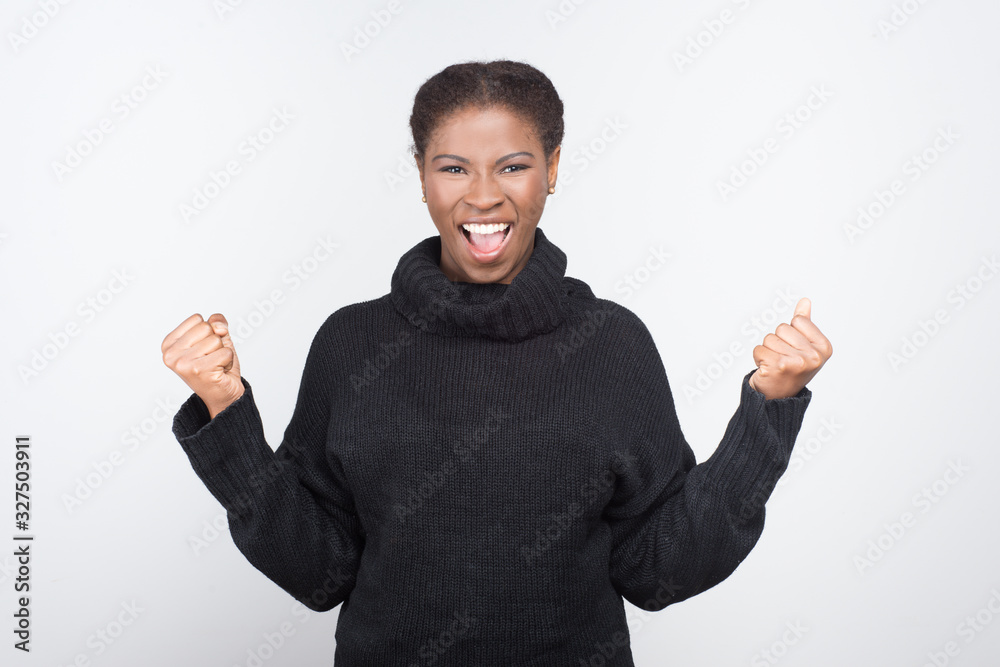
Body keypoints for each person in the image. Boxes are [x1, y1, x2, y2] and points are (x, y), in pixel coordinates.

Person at [162, 59, 832, 666]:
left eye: (512, 166)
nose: (482, 196)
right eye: (454, 168)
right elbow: (319, 574)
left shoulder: (612, 345)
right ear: (421, 175)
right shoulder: (351, 344)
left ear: (553, 168)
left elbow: (659, 570)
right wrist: (226, 412)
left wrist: (768, 410)